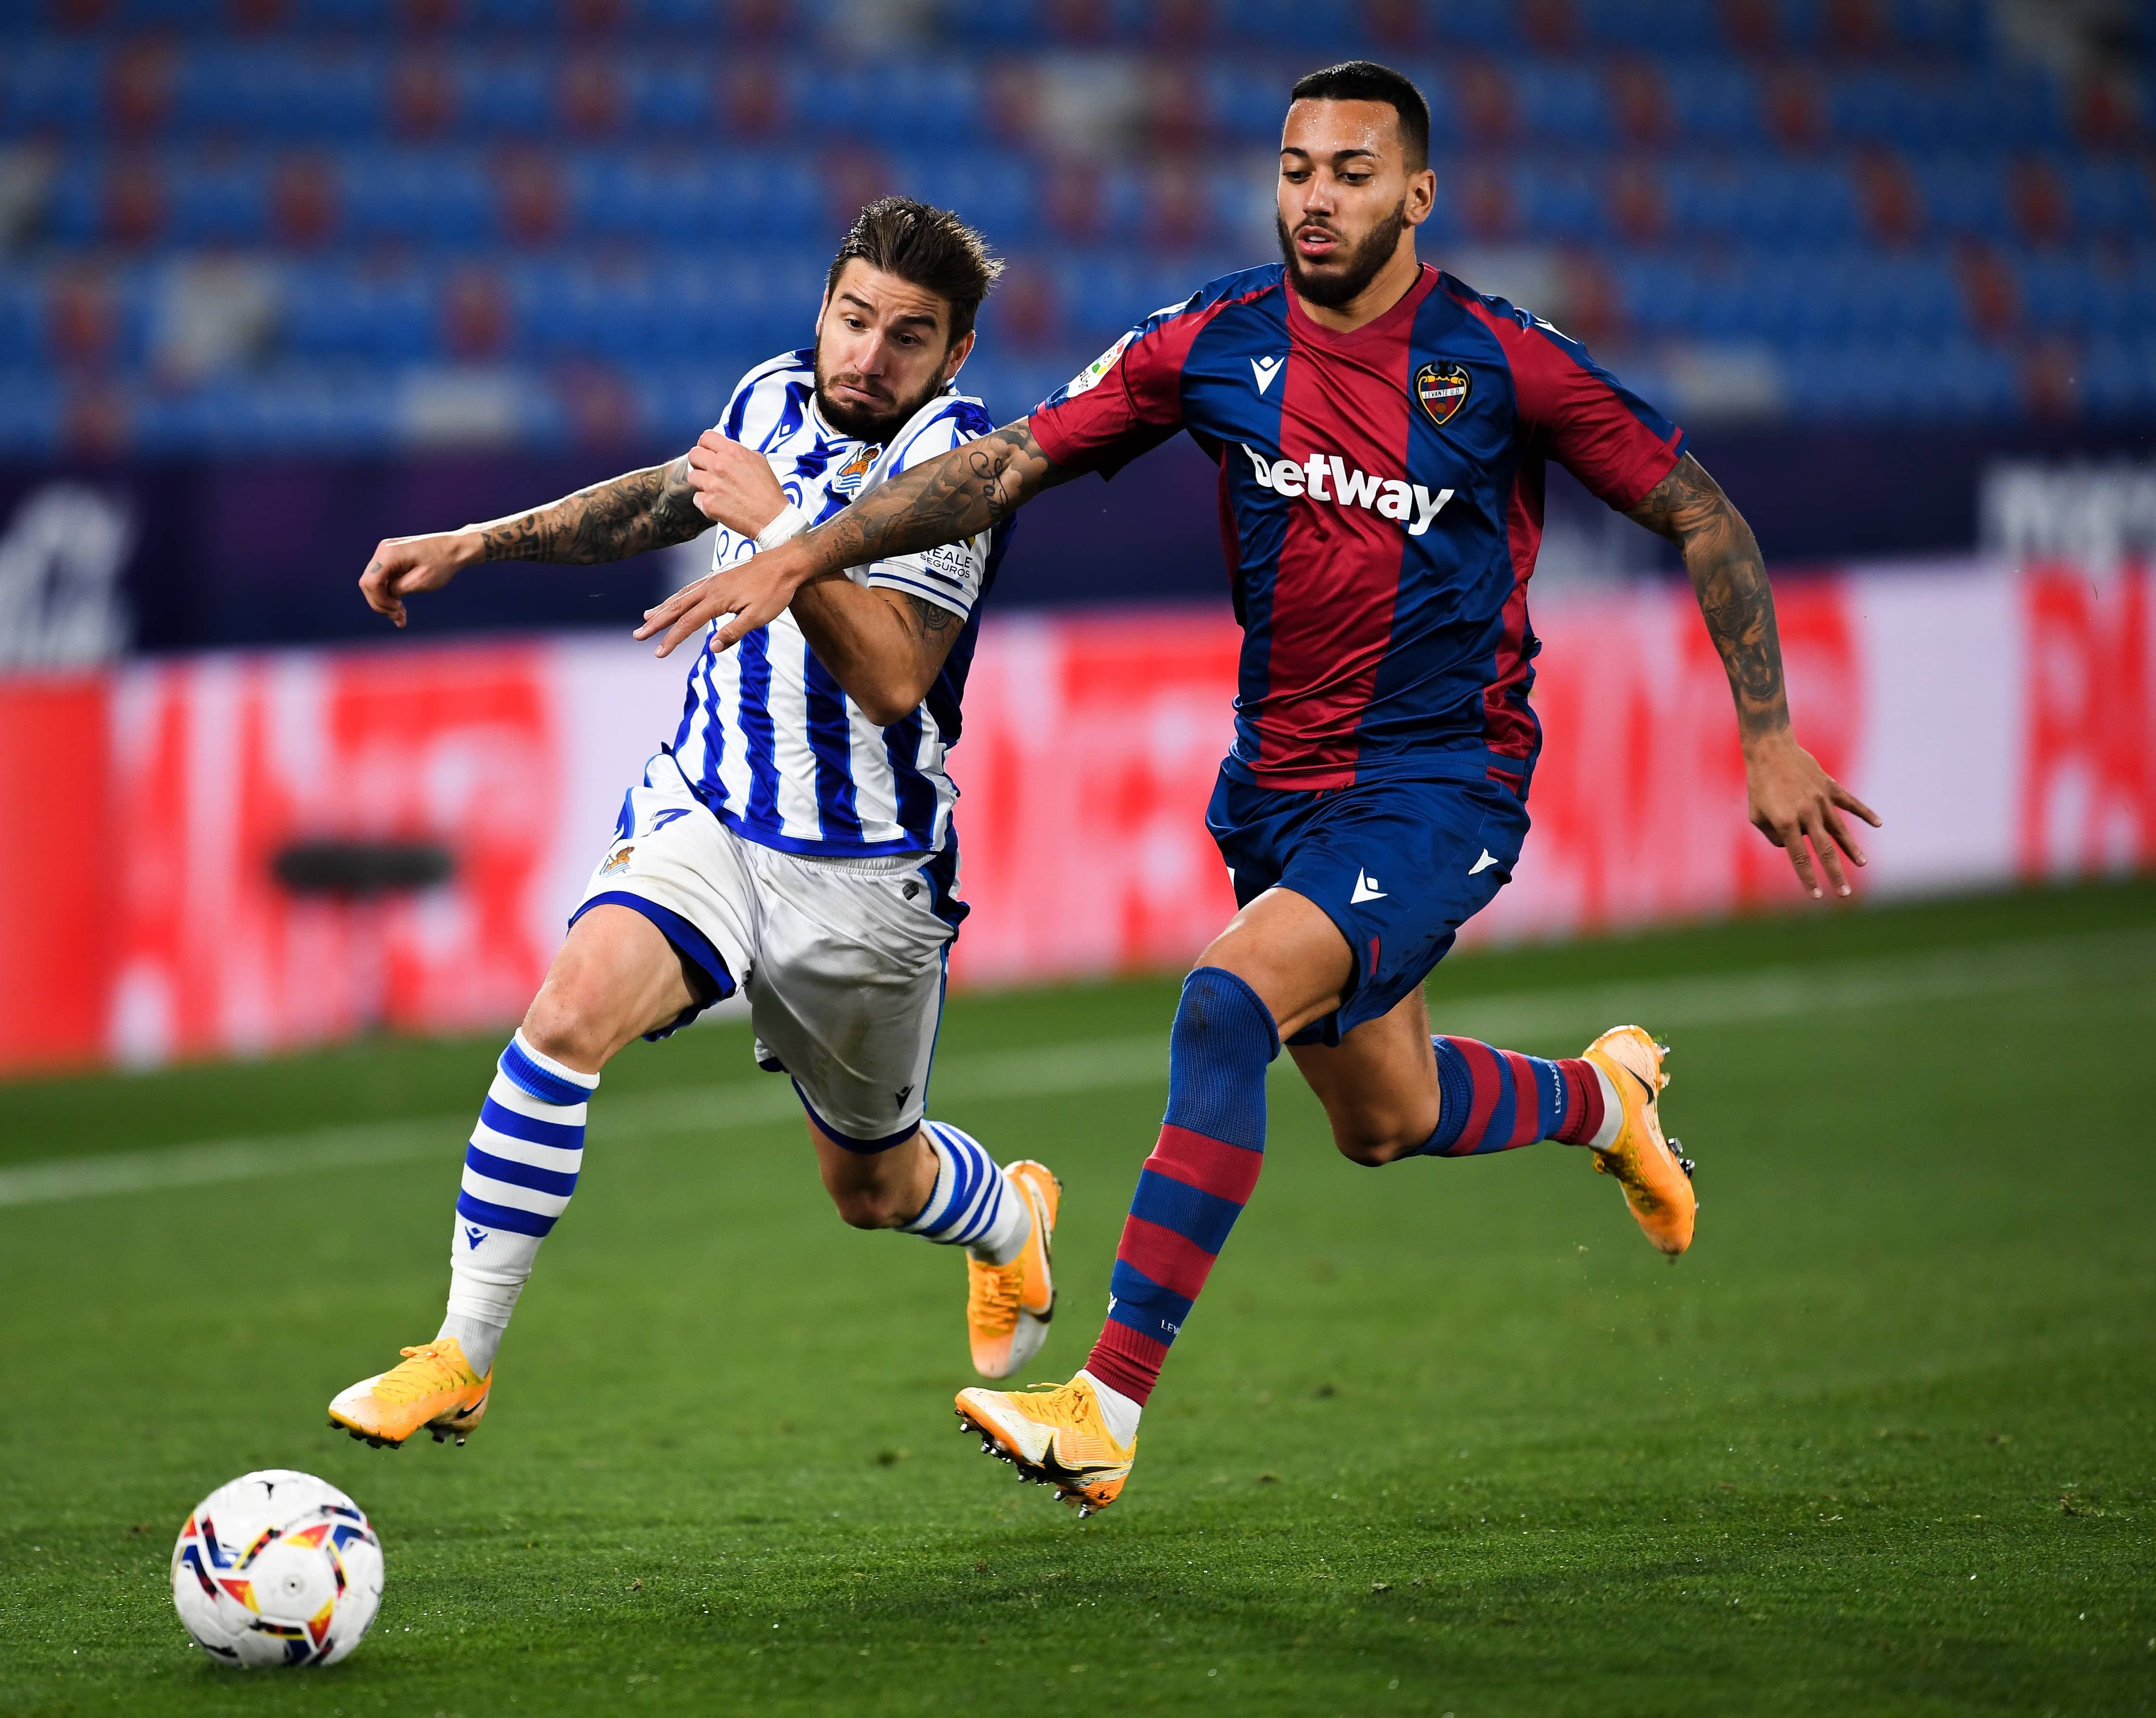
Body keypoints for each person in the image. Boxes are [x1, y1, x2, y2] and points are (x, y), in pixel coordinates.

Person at [634, 64, 1880, 1517]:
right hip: (1278, 789)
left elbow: (1697, 507)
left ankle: (1103, 1404)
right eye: (1296, 169)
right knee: (1386, 1115)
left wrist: (1769, 730)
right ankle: (1604, 1099)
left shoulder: (1497, 361)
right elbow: (1006, 462)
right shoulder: (1210, 340)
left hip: (1441, 784)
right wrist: (809, 547)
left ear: (1416, 194)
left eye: (1351, 173)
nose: (1316, 198)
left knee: (1224, 1000)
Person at [327, 198, 1061, 1452]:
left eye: (907, 336)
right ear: (822, 309)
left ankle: (1008, 1221)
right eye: (852, 318)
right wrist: (475, 540)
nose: (866, 355)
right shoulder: (770, 396)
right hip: (710, 809)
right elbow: (669, 497)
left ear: (955, 354)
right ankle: (461, 1352)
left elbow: (889, 676)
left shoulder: (960, 469)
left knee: (871, 1185)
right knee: (566, 1013)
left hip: (862, 876)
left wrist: (783, 530)